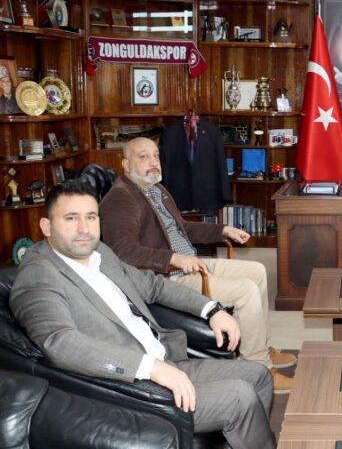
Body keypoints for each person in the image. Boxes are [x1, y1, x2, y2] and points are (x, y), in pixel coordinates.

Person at [10, 180, 276, 448]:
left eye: (91, 217)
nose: (84, 228)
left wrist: (211, 309)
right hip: (131, 386)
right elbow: (60, 342)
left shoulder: (99, 252)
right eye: (71, 218)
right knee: (240, 397)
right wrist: (150, 368)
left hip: (167, 361)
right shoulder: (38, 273)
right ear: (47, 226)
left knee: (259, 375)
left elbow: (153, 286)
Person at [100, 137, 296, 393]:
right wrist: (173, 258)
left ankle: (259, 346)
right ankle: (259, 367)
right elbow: (122, 251)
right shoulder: (121, 199)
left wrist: (222, 230)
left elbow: (184, 228)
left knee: (257, 271)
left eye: (156, 156)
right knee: (246, 290)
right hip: (166, 277)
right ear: (126, 165)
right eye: (143, 157)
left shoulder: (156, 190)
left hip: (192, 263)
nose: (153, 162)